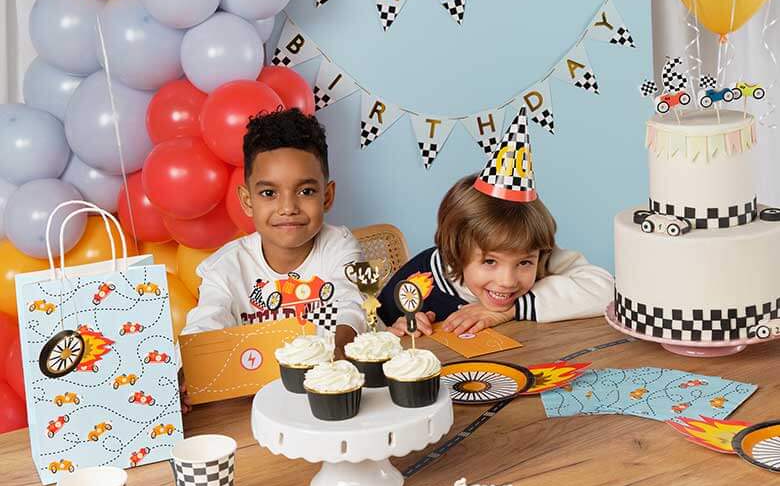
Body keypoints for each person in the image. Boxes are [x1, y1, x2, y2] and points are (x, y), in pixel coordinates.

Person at [178, 109, 366, 409]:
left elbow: (350, 299)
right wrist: (190, 368)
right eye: (269, 193)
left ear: (327, 197)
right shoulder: (225, 268)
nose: (288, 207)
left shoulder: (340, 247)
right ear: (247, 200)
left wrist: (345, 344)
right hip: (256, 406)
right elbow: (207, 320)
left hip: (330, 395)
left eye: (305, 191)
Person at [377, 108, 613, 337]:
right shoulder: (418, 279)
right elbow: (370, 332)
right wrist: (397, 330)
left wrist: (516, 308)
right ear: (455, 252)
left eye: (524, 263)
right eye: (490, 261)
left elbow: (608, 292)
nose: (507, 281)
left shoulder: (540, 253)